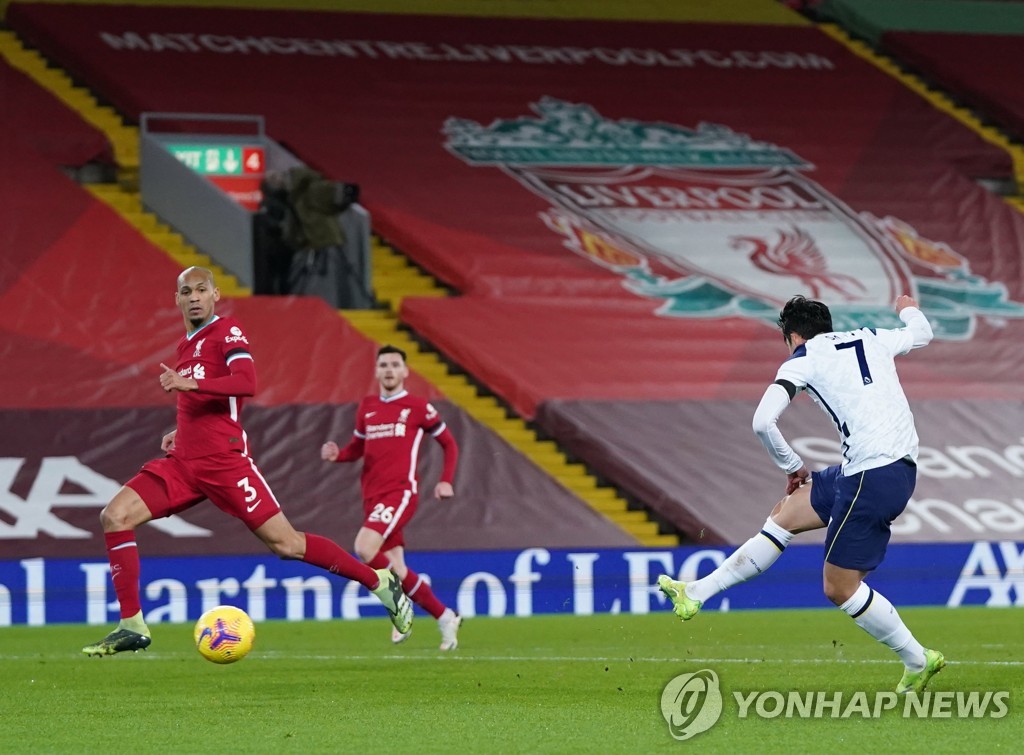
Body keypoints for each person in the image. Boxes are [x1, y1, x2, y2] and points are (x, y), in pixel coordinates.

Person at [82, 266, 411, 656]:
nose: (194, 297)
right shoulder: (185, 346)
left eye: (201, 290)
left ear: (215, 294)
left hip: (225, 463)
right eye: (186, 291)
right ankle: (132, 624)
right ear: (177, 299)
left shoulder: (227, 331)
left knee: (287, 545)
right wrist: (180, 428)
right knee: (114, 516)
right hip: (184, 464)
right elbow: (204, 402)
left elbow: (246, 382)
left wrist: (191, 384)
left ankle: (378, 582)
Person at [657, 294, 945, 694]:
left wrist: (792, 466)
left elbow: (762, 422)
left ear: (792, 336)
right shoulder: (870, 337)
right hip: (871, 468)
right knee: (787, 513)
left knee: (839, 587)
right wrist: (906, 306)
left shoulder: (803, 358)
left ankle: (917, 658)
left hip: (873, 474)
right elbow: (922, 332)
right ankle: (696, 591)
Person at [321, 344, 462, 650]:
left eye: (395, 365)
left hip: (400, 492)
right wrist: (338, 455)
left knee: (364, 547)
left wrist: (445, 481)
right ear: (376, 371)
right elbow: (357, 448)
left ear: (405, 371)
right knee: (396, 569)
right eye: (383, 364)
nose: (389, 369)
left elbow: (449, 444)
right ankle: (444, 616)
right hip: (371, 496)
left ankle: (399, 605)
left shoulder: (417, 406)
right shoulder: (368, 407)